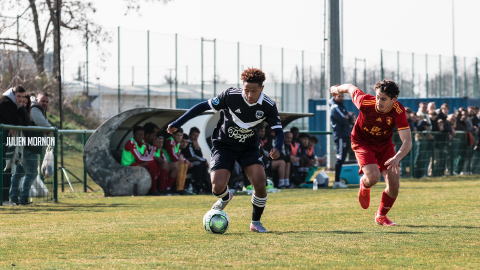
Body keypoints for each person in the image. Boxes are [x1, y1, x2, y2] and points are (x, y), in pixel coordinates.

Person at [167, 67, 284, 232]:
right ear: (242, 86)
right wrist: (178, 123)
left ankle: (255, 222)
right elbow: (202, 107)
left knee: (260, 182)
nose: (250, 95)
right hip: (224, 145)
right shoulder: (230, 96)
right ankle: (225, 197)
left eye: (254, 91)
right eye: (246, 90)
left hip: (248, 147)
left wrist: (277, 147)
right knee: (217, 186)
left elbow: (278, 131)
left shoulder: (268, 105)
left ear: (262, 89)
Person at [331, 80, 412, 226]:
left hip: (385, 145)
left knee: (394, 184)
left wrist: (396, 157)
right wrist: (336, 88)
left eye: (383, 99)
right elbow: (350, 88)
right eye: (377, 97)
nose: (378, 101)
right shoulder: (365, 102)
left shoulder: (398, 110)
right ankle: (364, 184)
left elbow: (407, 141)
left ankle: (381, 216)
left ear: (394, 100)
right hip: (362, 142)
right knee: (373, 177)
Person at [120, 126, 159, 196]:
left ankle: (162, 189)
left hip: (136, 164)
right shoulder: (131, 143)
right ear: (134, 135)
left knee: (156, 163)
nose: (140, 136)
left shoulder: (143, 143)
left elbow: (147, 156)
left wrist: (154, 147)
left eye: (142, 134)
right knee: (152, 163)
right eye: (138, 134)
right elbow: (140, 158)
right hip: (128, 166)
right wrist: (153, 158)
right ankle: (152, 190)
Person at [329, 92, 354, 188]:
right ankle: (336, 181)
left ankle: (338, 180)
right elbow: (343, 120)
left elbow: (351, 118)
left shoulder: (342, 107)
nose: (341, 98)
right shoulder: (335, 107)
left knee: (343, 157)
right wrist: (347, 118)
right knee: (340, 157)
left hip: (345, 135)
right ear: (334, 97)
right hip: (340, 135)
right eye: (339, 96)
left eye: (342, 96)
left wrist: (348, 118)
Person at [181, 127, 211, 194]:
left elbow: (199, 156)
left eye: (197, 136)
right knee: (199, 163)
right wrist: (204, 160)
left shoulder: (193, 143)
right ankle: (198, 185)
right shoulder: (187, 141)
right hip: (186, 161)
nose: (195, 137)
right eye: (194, 135)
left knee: (202, 165)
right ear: (190, 134)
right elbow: (191, 156)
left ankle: (203, 186)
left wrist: (198, 148)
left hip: (189, 162)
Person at [164, 128, 191, 195]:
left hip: (171, 162)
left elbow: (178, 154)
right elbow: (173, 156)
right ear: (173, 135)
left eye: (181, 135)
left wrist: (183, 158)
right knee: (181, 164)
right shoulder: (170, 141)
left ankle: (182, 188)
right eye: (178, 135)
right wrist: (185, 160)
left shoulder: (177, 143)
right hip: (166, 162)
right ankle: (178, 188)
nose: (179, 137)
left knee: (185, 165)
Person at [142, 122, 163, 196]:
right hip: (132, 165)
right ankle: (153, 190)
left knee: (158, 162)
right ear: (147, 135)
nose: (155, 138)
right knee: (152, 163)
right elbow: (148, 158)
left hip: (140, 163)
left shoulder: (147, 143)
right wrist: (154, 146)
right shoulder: (142, 142)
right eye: (154, 135)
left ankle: (160, 189)